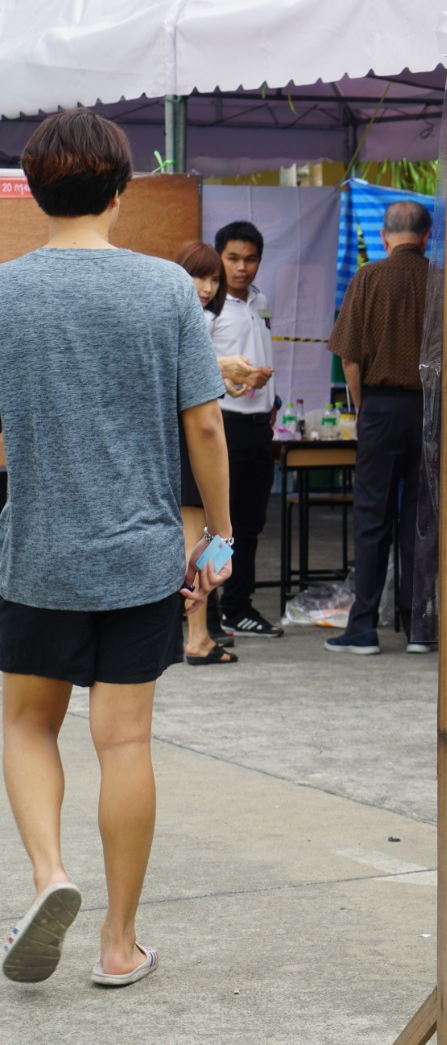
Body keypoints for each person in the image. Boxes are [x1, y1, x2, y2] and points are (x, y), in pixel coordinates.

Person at [0, 109, 232, 988]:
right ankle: (117, 941)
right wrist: (220, 530)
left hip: (37, 552)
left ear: (35, 188)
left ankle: (49, 874)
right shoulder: (165, 289)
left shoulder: (4, 291)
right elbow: (205, 425)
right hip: (138, 554)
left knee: (27, 721)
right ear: (121, 189)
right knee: (124, 742)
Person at [324, 200, 433, 656]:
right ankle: (419, 629)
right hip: (430, 409)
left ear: (385, 237)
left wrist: (366, 405)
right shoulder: (441, 280)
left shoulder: (368, 278)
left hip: (381, 408)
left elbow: (349, 357)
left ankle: (363, 627)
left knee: (372, 517)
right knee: (421, 520)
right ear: (426, 237)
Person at [174, 241, 271, 664]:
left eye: (213, 279)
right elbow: (175, 372)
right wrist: (223, 369)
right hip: (191, 437)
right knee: (197, 534)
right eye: (200, 275)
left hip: (201, 431)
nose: (207, 286)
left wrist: (233, 379)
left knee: (202, 533)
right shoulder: (183, 317)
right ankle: (197, 636)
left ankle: (203, 628)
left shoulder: (197, 316)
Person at [210, 219, 281, 639]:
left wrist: (274, 401)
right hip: (222, 425)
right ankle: (209, 607)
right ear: (219, 257)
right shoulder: (209, 308)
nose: (242, 267)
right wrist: (233, 382)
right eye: (233, 258)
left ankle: (238, 605)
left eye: (250, 259)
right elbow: (192, 368)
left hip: (259, 426)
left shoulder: (261, 302)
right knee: (221, 524)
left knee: (251, 522)